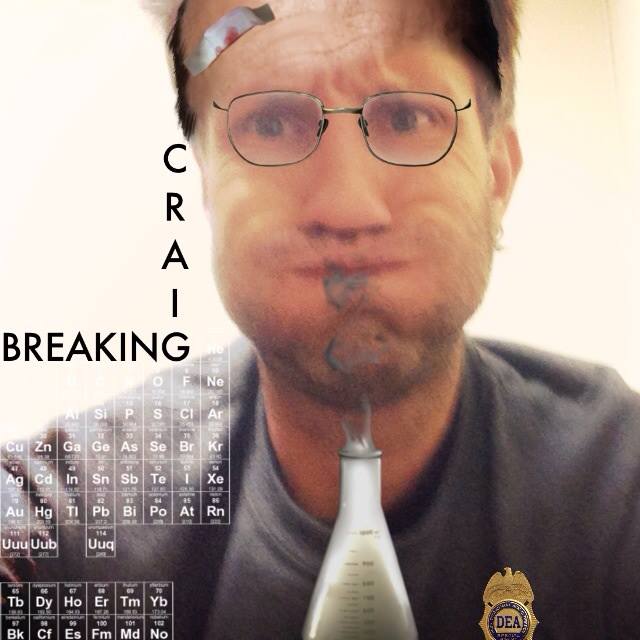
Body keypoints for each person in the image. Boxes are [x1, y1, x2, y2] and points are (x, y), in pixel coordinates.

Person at [1, 0, 639, 638]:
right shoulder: (66, 514)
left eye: (406, 117)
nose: (347, 205)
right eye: (271, 123)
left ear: (497, 175)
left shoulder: (618, 486)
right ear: (207, 184)